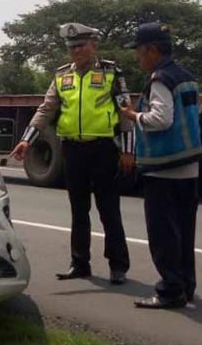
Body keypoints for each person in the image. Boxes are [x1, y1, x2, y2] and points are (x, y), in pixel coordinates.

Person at [11, 23, 135, 283]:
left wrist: (127, 150)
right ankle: (80, 263)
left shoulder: (111, 72)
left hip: (103, 149)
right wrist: (26, 140)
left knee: (108, 209)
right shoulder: (61, 76)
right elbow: (46, 110)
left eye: (80, 45)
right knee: (79, 210)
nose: (76, 51)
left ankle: (118, 265)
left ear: (93, 45)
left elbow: (125, 115)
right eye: (71, 47)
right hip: (72, 148)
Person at [118, 22, 202, 309]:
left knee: (163, 234)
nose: (138, 58)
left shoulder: (160, 78)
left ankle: (169, 291)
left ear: (153, 50)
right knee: (183, 232)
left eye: (140, 52)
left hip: (164, 167)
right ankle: (186, 286)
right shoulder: (185, 76)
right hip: (189, 166)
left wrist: (133, 115)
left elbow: (161, 119)